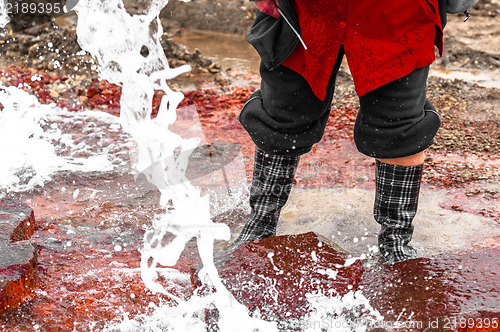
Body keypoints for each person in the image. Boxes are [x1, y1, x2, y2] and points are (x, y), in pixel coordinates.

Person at [235, 0, 478, 264]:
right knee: (283, 110)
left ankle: (395, 241)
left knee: (399, 123)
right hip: (304, 10)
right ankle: (261, 221)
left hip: (397, 9)